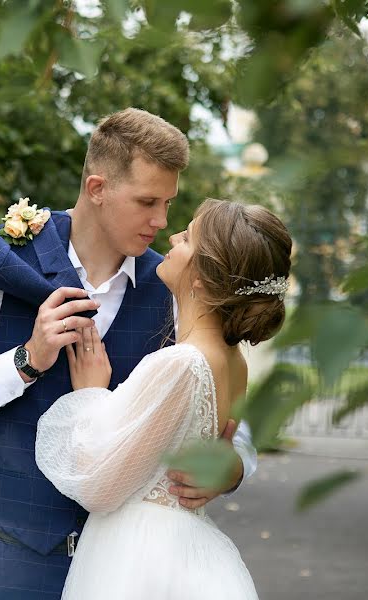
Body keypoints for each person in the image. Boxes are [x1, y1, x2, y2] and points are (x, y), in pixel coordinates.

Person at [0, 108, 259, 599]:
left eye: (169, 203)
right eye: (147, 202)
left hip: (125, 573)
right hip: (6, 564)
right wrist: (26, 360)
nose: (161, 221)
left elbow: (219, 417)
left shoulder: (177, 292)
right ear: (96, 189)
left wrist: (231, 467)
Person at [35, 198, 292, 598]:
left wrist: (90, 395)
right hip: (184, 547)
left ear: (202, 277)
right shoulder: (234, 361)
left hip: (138, 558)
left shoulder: (181, 364)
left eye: (187, 237)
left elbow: (99, 486)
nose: (172, 236)